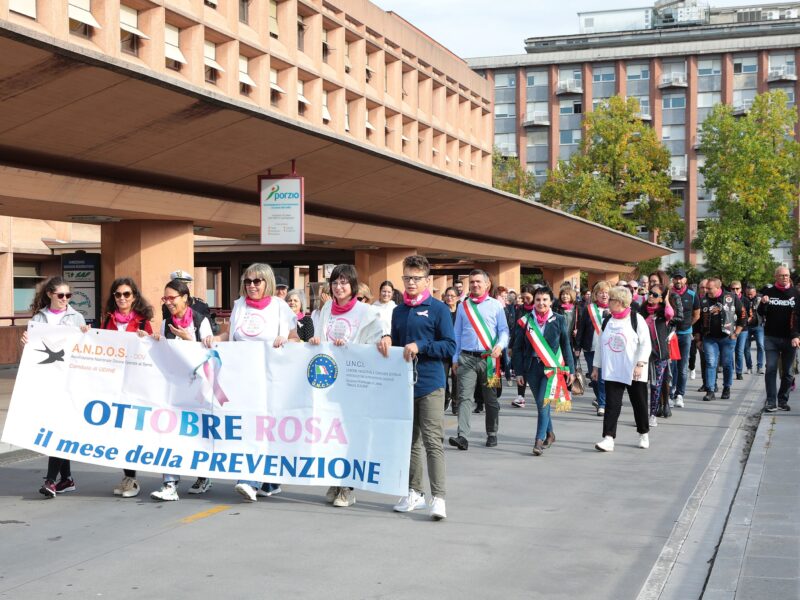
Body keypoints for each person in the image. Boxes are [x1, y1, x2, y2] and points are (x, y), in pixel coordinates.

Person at [208, 264, 299, 502]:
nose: (252, 285)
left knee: (262, 426)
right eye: (248, 281)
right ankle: (269, 480)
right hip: (242, 377)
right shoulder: (239, 305)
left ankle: (249, 479)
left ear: (266, 282)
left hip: (271, 378)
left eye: (257, 281)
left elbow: (295, 338)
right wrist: (214, 339)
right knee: (250, 426)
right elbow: (229, 336)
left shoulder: (279, 307)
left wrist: (286, 340)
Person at [310, 264, 389, 507]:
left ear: (353, 286)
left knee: (352, 434)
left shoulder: (365, 311)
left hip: (355, 383)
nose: (339, 287)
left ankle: (348, 486)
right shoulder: (326, 310)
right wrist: (316, 341)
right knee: (333, 432)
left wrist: (357, 347)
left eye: (344, 282)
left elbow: (379, 340)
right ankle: (335, 479)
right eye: (335, 282)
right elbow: (322, 339)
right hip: (330, 383)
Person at [385, 255, 455, 521]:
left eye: (416, 278)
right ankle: (414, 491)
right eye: (406, 278)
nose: (410, 283)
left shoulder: (438, 309)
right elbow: (396, 344)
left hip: (431, 383)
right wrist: (387, 339)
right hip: (405, 386)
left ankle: (438, 498)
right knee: (409, 442)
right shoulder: (398, 310)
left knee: (432, 441)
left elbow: (449, 346)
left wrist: (421, 346)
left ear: (427, 281)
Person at [22, 277, 90, 498]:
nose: (65, 299)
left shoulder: (76, 317)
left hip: (69, 382)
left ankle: (51, 481)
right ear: (50, 294)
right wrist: (25, 342)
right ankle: (67, 478)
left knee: (57, 431)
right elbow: (33, 354)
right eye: (61, 295)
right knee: (60, 430)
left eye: (68, 296)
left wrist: (87, 336)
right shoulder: (39, 318)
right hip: (47, 383)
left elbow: (86, 349)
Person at [149, 279, 216, 502]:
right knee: (168, 434)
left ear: (185, 298)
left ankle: (203, 476)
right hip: (174, 390)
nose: (168, 302)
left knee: (198, 434)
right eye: (165, 298)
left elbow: (209, 355)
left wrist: (190, 340)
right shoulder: (166, 323)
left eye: (172, 298)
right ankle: (169, 483)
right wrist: (156, 342)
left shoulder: (201, 321)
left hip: (198, 388)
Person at [100, 277, 154, 499]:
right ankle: (128, 476)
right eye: (118, 294)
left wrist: (147, 338)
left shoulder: (143, 323)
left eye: (126, 294)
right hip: (113, 383)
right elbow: (97, 347)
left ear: (134, 297)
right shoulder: (106, 322)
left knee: (133, 432)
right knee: (119, 433)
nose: (122, 298)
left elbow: (153, 350)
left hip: (135, 384)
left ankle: (133, 478)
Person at [448, 269, 509, 450]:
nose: (475, 285)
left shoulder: (496, 305)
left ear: (487, 284)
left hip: (488, 358)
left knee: (490, 399)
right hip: (466, 357)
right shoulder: (462, 306)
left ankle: (492, 432)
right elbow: (456, 333)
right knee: (464, 397)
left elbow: (504, 330)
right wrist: (454, 357)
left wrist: (500, 346)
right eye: (472, 282)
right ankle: (463, 436)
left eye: (478, 282)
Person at [512, 285, 575, 456]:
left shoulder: (559, 319)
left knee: (542, 402)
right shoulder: (525, 321)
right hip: (531, 368)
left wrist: (571, 368)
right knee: (542, 405)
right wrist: (518, 371)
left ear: (551, 301)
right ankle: (550, 433)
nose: (541, 303)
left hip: (551, 369)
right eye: (538, 300)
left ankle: (538, 440)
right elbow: (517, 348)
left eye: (545, 300)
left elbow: (566, 344)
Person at [592, 286, 652, 452]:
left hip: (634, 370)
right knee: (612, 405)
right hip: (613, 370)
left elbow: (646, 344)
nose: (607, 302)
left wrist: (640, 364)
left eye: (610, 299)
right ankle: (608, 438)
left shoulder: (636, 319)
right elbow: (600, 345)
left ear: (619, 302)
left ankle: (643, 433)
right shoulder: (607, 320)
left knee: (639, 403)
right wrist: (596, 366)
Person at [758, 266, 800, 412]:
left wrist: (796, 336)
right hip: (771, 337)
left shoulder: (796, 294)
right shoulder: (769, 292)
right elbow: (761, 313)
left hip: (790, 339)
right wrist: (763, 303)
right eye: (782, 275)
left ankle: (783, 399)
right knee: (770, 368)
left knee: (788, 372)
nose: (785, 277)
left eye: (787, 275)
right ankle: (771, 401)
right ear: (776, 276)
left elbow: (798, 318)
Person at [698, 278, 746, 402]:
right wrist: (698, 338)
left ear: (718, 288)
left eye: (709, 288)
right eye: (706, 288)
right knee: (710, 363)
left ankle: (726, 388)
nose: (706, 290)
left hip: (727, 337)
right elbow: (697, 320)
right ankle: (710, 390)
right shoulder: (703, 300)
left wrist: (736, 332)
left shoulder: (731, 297)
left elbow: (743, 315)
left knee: (727, 363)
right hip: (709, 337)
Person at [641, 283, 677, 428]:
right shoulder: (642, 311)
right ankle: (642, 414)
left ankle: (652, 415)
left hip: (659, 355)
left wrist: (667, 300)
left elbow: (671, 313)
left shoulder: (663, 314)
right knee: (642, 385)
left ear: (661, 298)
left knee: (656, 385)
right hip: (643, 355)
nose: (651, 296)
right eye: (650, 293)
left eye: (655, 295)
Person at [576, 281, 611, 416]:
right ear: (596, 294)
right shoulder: (588, 308)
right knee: (594, 377)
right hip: (591, 348)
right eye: (601, 292)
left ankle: (602, 403)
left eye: (606, 292)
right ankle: (601, 399)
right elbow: (581, 328)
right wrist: (577, 346)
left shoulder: (614, 308)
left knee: (603, 378)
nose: (604, 295)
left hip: (608, 349)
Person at [669, 269, 700, 409]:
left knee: (682, 367)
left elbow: (696, 315)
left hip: (686, 334)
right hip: (671, 335)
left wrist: (688, 326)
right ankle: (670, 393)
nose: (678, 281)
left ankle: (680, 395)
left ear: (685, 280)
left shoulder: (692, 295)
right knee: (671, 367)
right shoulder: (669, 294)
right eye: (676, 278)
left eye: (680, 278)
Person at [164, 269, 218, 334]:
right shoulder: (167, 305)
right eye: (176, 286)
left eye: (183, 285)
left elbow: (208, 334)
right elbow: (166, 331)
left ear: (189, 286)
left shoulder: (201, 306)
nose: (179, 288)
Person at [442, 286, 460, 413]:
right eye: (447, 295)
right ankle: (446, 396)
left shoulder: (461, 311)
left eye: (452, 296)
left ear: (458, 298)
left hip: (457, 350)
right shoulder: (441, 310)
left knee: (456, 378)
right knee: (443, 377)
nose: (449, 298)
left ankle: (455, 402)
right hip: (443, 349)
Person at [729, 281, 749, 380]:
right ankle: (730, 370)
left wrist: (742, 322)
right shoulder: (728, 299)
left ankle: (739, 371)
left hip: (743, 329)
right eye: (733, 289)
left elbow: (749, 316)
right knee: (730, 350)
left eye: (737, 289)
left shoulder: (745, 300)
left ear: (741, 289)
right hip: (730, 328)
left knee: (739, 351)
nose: (735, 291)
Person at [744, 283, 765, 375]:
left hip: (758, 326)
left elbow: (766, 308)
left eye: (751, 294)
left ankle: (760, 367)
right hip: (746, 326)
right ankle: (749, 367)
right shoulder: (743, 300)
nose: (749, 296)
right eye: (748, 294)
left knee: (761, 345)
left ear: (755, 292)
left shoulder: (760, 298)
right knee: (746, 347)